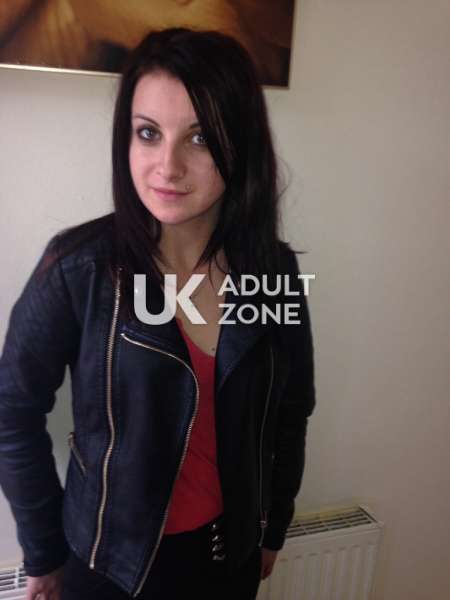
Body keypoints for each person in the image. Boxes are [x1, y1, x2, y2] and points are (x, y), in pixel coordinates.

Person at [0, 28, 315, 600]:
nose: (167, 166)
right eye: (148, 133)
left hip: (227, 565)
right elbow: (11, 410)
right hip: (110, 570)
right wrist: (43, 550)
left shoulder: (274, 271)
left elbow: (291, 410)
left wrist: (272, 527)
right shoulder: (78, 269)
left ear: (239, 143)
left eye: (199, 137)